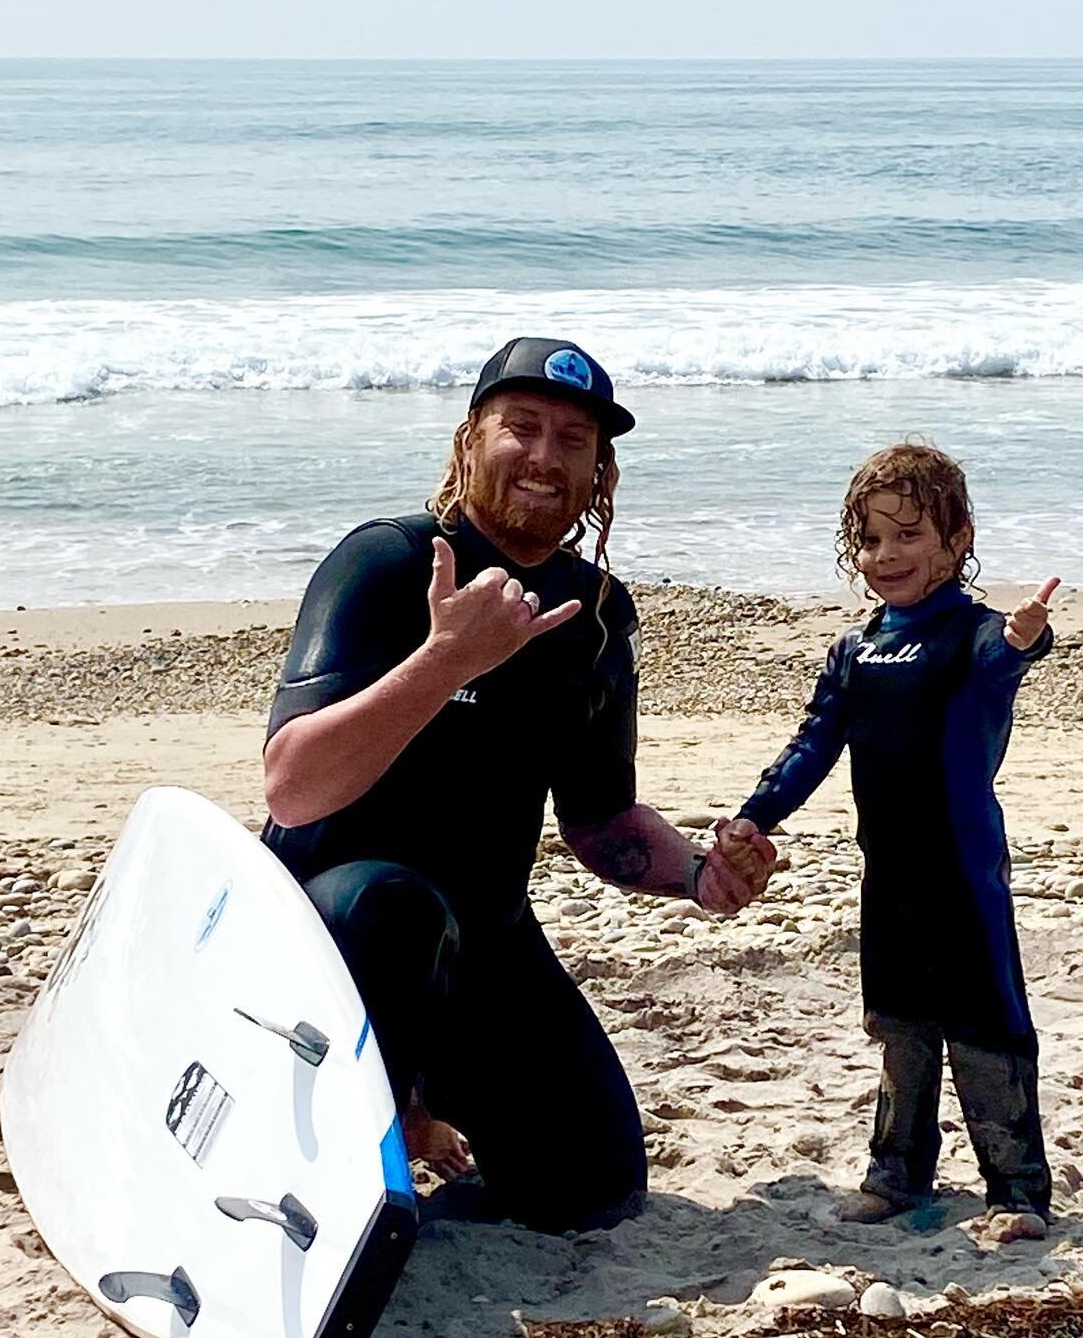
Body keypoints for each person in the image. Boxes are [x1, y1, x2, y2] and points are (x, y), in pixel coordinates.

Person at [261, 337, 776, 1235]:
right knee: (395, 906)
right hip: (326, 928)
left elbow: (601, 819)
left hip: (478, 940)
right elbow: (293, 787)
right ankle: (368, 1130)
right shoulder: (389, 564)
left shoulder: (598, 615)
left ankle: (415, 1104)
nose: (545, 458)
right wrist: (446, 660)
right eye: (522, 428)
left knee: (592, 1188)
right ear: (471, 440)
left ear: (599, 469)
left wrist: (698, 874)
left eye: (574, 440)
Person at [721, 442, 1057, 1240]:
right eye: (871, 540)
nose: (886, 555)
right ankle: (897, 1174)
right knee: (900, 1025)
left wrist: (1024, 638)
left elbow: (1005, 658)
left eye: (909, 535)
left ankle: (1016, 1191)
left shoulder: (972, 638)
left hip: (964, 872)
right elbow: (812, 744)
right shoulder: (856, 650)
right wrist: (756, 814)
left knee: (985, 1023)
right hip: (890, 874)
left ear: (959, 539)